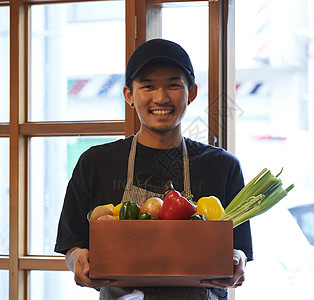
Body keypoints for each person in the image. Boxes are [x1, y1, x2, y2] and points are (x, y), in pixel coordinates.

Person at [55, 38, 253, 300]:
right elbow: (72, 246)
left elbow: (238, 249)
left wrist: (238, 261)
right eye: (147, 86)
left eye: (173, 85)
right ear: (129, 95)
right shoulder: (95, 163)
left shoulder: (223, 165)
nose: (161, 98)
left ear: (191, 93)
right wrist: (78, 260)